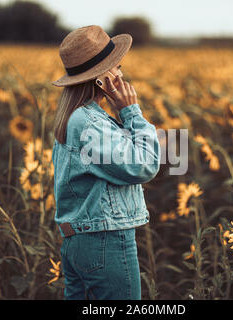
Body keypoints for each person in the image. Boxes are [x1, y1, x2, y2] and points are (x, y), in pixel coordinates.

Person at [51, 25, 161, 300]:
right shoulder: (88, 123)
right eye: (117, 67)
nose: (121, 74)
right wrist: (131, 111)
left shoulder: (77, 118)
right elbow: (144, 164)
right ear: (101, 78)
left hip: (81, 242)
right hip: (105, 240)